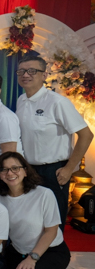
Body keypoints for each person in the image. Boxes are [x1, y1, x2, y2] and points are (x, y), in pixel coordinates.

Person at [16, 55, 93, 229]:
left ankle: (54, 256)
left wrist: (68, 169)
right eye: (21, 71)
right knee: (31, 221)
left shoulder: (58, 102)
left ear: (44, 75)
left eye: (32, 71)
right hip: (28, 170)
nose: (25, 75)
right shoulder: (21, 100)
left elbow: (86, 135)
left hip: (53, 171)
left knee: (53, 223)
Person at [0, 152, 70, 269]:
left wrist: (32, 258)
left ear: (25, 171)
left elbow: (51, 231)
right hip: (18, 250)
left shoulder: (43, 194)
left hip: (50, 251)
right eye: (4, 170)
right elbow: (1, 232)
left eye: (15, 168)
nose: (10, 173)